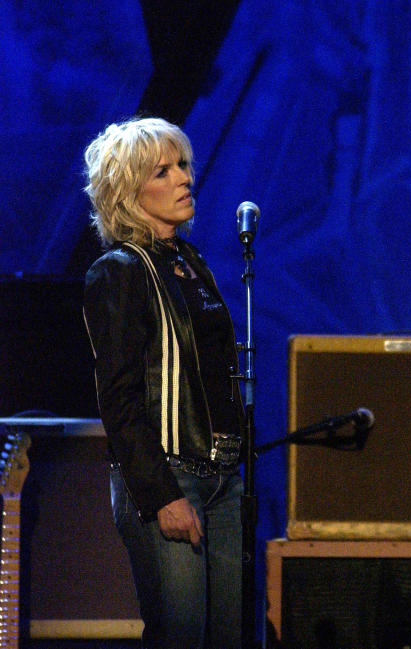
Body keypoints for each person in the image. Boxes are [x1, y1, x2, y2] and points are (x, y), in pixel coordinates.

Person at [82, 117, 244, 649]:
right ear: (129, 192)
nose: (183, 178)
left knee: (226, 635)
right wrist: (162, 496)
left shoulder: (191, 265)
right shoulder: (119, 271)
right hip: (170, 478)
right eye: (163, 170)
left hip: (222, 478)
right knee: (180, 636)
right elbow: (120, 398)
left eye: (184, 165)